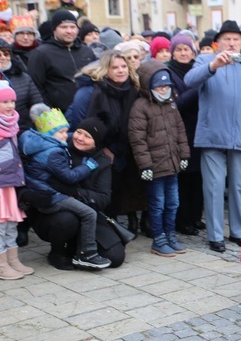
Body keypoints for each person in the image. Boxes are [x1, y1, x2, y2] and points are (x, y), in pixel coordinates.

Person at [184, 20, 241, 253]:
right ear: (217, 42)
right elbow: (189, 82)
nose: (231, 43)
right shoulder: (205, 60)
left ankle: (238, 231)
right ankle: (215, 235)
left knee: (239, 186)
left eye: (235, 39)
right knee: (214, 186)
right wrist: (213, 66)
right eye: (226, 39)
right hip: (212, 134)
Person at [26, 116, 126, 270]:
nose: (80, 138)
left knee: (116, 257)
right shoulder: (59, 147)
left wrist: (74, 192)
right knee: (67, 220)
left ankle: (78, 251)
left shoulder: (101, 162)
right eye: (79, 132)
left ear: (96, 143)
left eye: (88, 137)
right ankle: (57, 252)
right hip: (54, 212)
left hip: (88, 211)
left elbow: (103, 199)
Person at [65, 50, 145, 231]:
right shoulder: (89, 92)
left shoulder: (132, 89)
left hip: (121, 151)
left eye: (124, 66)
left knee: (115, 195)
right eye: (114, 67)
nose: (120, 71)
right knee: (100, 195)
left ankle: (111, 232)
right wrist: (103, 150)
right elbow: (79, 126)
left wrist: (116, 150)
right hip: (92, 152)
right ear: (105, 70)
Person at [129, 61, 191, 256]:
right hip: (154, 168)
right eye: (159, 86)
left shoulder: (171, 104)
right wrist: (145, 165)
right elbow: (137, 139)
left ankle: (170, 235)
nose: (163, 89)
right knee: (158, 204)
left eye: (166, 86)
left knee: (173, 202)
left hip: (172, 165)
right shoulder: (140, 107)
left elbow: (180, 131)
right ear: (149, 86)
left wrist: (184, 155)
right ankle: (159, 238)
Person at [166, 34, 204, 236]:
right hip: (180, 131)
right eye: (179, 49)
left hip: (200, 128)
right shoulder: (168, 73)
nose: (183, 53)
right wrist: (199, 87)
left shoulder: (198, 70)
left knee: (198, 177)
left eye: (186, 49)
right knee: (185, 177)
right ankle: (183, 220)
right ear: (173, 52)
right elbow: (177, 104)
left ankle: (196, 217)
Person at [26, 10, 96, 112]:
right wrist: (50, 112)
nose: (69, 31)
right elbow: (36, 88)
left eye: (72, 27)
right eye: (64, 27)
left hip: (87, 111)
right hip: (57, 115)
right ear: (54, 30)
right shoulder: (41, 53)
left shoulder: (87, 51)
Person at [0, 81, 33, 279]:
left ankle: (13, 259)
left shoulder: (12, 125)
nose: (10, 105)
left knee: (11, 222)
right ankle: (2, 264)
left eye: (12, 101)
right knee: (1, 224)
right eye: (4, 102)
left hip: (9, 182)